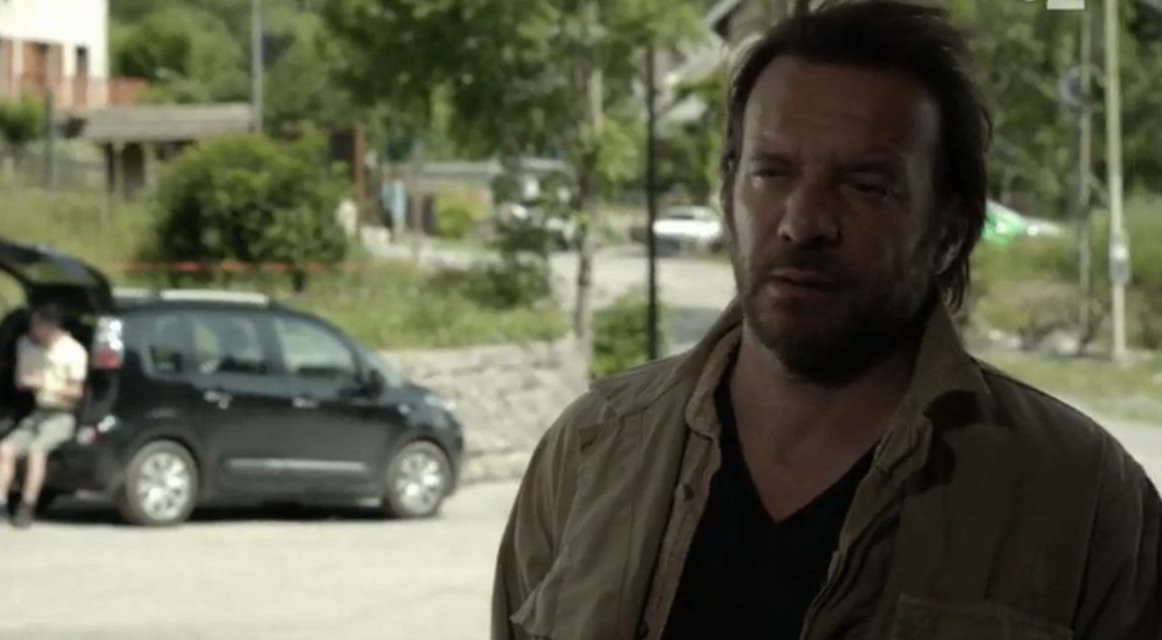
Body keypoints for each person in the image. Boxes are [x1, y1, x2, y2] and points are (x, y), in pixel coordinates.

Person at [492, 3, 1161, 640]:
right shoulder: (590, 454)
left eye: (866, 185)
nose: (804, 221)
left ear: (948, 233)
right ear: (728, 192)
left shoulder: (1083, 502)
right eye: (772, 172)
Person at [0, 304, 88, 529]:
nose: (33, 330)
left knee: (36, 450)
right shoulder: (29, 346)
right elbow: (20, 379)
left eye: (37, 326)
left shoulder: (73, 352)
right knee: (5, 449)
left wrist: (47, 385)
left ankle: (28, 505)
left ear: (50, 327)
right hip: (38, 412)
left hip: (61, 414)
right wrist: (26, 377)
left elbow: (76, 391)